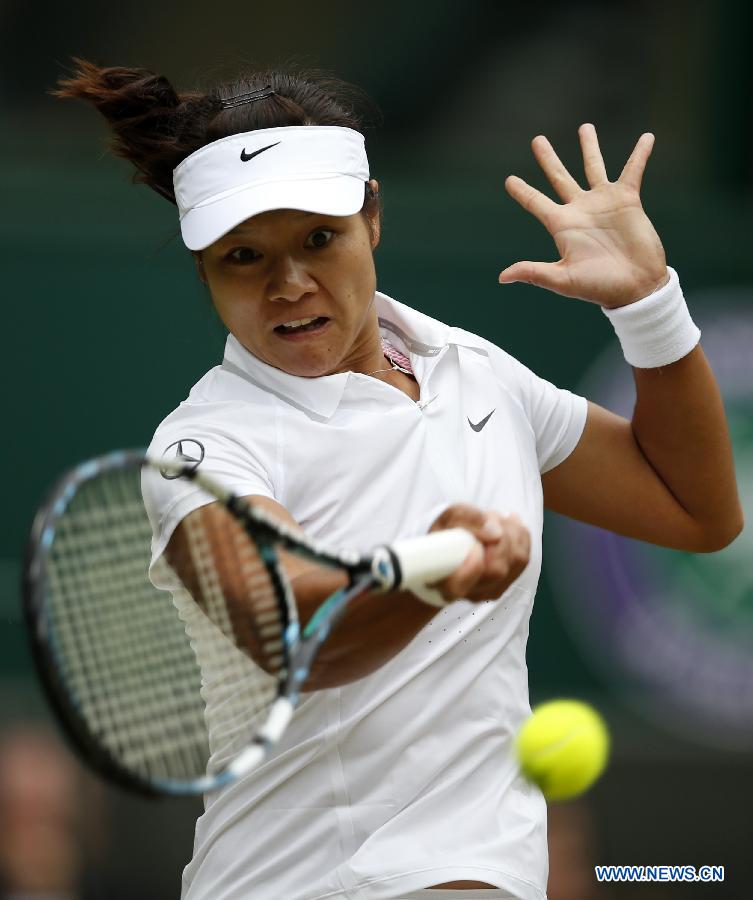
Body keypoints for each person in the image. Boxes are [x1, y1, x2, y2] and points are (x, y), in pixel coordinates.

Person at [54, 59, 743, 900]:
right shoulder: (204, 447)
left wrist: (647, 306)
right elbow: (295, 631)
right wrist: (431, 576)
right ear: (205, 270)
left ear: (370, 217)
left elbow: (697, 513)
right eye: (244, 257)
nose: (290, 284)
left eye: (318, 238)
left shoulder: (475, 373)